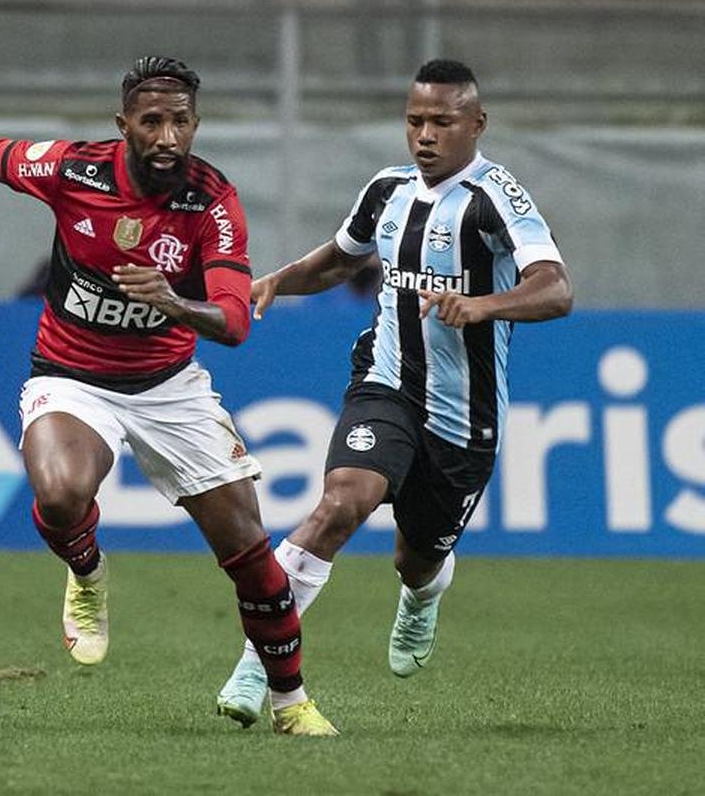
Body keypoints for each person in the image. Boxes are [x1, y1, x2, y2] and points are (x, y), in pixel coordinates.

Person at [0, 56, 337, 736]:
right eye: (151, 122)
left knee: (249, 553)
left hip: (170, 388)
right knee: (58, 495)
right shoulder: (73, 170)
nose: (167, 137)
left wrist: (173, 302)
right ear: (123, 125)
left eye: (180, 122)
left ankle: (291, 704)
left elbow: (233, 322)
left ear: (196, 125)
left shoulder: (211, 202)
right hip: (71, 375)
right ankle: (87, 572)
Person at [215, 59, 573, 730]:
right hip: (386, 384)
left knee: (416, 559)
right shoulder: (387, 190)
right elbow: (341, 257)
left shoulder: (496, 198)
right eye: (414, 121)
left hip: (463, 415)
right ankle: (257, 663)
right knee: (339, 504)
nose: (425, 136)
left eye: (442, 122)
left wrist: (483, 305)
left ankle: (422, 596)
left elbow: (556, 288)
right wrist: (277, 281)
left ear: (476, 124)